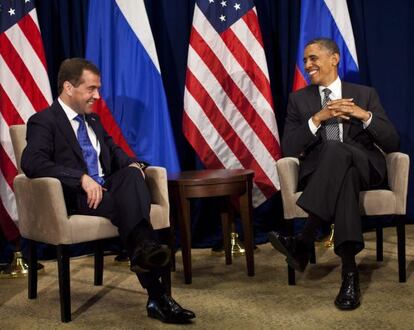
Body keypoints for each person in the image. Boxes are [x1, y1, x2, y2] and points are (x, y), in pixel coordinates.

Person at [21, 58, 195, 324]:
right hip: (77, 196)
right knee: (132, 206)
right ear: (68, 87)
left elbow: (115, 155)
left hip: (108, 189)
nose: (97, 95)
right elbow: (33, 163)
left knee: (131, 175)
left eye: (98, 89)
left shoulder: (93, 121)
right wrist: (80, 178)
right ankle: (158, 294)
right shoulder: (43, 121)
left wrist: (136, 166)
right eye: (91, 89)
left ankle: (143, 253)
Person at [268, 38, 399, 310]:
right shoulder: (299, 100)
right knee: (343, 174)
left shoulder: (364, 94)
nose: (307, 65)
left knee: (340, 152)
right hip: (322, 172)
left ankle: (304, 238)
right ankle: (349, 275)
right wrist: (318, 118)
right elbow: (289, 147)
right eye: (305, 60)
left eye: (313, 58)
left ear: (334, 59)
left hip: (366, 165)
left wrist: (364, 115)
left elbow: (391, 142)